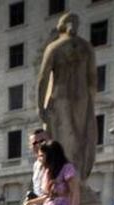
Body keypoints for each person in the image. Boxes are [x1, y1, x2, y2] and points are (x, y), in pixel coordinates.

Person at [37, 12, 97, 182]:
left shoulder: (55, 48)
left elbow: (43, 79)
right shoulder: (86, 48)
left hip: (61, 97)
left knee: (63, 142)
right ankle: (75, 178)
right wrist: (90, 102)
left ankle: (67, 181)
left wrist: (40, 106)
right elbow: (93, 79)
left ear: (60, 27)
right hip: (82, 97)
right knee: (79, 138)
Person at [23, 141, 79, 205]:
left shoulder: (67, 168)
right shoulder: (47, 171)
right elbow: (47, 197)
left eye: (41, 155)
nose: (39, 158)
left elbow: (75, 192)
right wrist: (30, 203)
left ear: (50, 156)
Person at [20, 129, 50, 205]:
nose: (38, 144)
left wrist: (30, 202)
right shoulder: (36, 165)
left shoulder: (54, 163)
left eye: (42, 141)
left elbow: (53, 196)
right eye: (34, 143)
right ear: (30, 146)